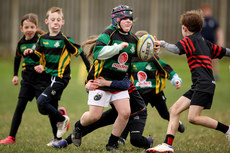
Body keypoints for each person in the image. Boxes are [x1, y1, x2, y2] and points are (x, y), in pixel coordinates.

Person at [146, 10, 230, 153]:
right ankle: (167, 145)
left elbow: (175, 49)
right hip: (200, 84)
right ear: (201, 28)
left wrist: (162, 43)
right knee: (174, 110)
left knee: (193, 118)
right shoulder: (206, 43)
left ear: (184, 28)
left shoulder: (189, 41)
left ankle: (227, 129)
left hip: (204, 84)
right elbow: (226, 51)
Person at [23, 7, 88, 146]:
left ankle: (62, 118)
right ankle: (56, 139)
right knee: (47, 107)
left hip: (60, 78)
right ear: (47, 21)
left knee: (41, 102)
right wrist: (30, 52)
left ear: (62, 22)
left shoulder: (65, 40)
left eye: (58, 20)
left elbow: (80, 53)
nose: (55, 22)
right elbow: (37, 56)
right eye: (53, 20)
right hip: (48, 77)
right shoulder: (42, 39)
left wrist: (90, 70)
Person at [118, 30, 185, 145]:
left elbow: (166, 69)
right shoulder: (131, 60)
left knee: (164, 114)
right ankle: (122, 138)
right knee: (131, 114)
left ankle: (177, 123)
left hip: (155, 92)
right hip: (138, 94)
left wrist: (175, 80)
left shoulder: (153, 58)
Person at [0, 13, 46, 144]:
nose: (29, 30)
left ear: (36, 27)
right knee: (19, 106)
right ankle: (11, 137)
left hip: (40, 78)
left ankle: (58, 113)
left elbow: (43, 57)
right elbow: (17, 58)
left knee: (43, 108)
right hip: (27, 78)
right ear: (22, 29)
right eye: (26, 27)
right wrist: (15, 74)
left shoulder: (41, 40)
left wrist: (36, 60)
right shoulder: (21, 43)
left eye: (32, 27)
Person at [201, 3, 224, 80]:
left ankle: (216, 74)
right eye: (206, 11)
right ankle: (204, 74)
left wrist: (220, 40)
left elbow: (219, 31)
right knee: (203, 59)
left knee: (214, 59)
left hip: (212, 43)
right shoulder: (201, 20)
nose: (208, 12)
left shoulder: (213, 21)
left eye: (209, 11)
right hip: (202, 43)